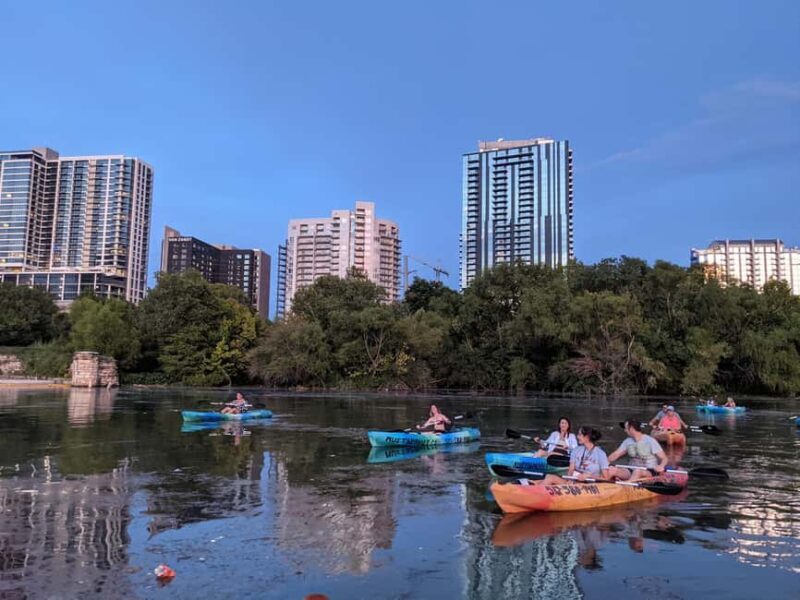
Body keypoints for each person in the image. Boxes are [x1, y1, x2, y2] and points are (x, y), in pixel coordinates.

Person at [542, 426, 610, 484]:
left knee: (550, 478)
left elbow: (606, 478)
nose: (577, 437)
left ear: (587, 437)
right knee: (549, 477)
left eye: (580, 435)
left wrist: (589, 476)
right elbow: (571, 470)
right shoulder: (576, 450)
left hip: (591, 484)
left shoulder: (601, 454)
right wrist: (570, 479)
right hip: (575, 482)